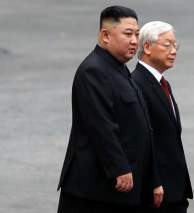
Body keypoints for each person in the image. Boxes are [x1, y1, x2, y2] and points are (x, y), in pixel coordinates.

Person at [57, 6, 163, 213]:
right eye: (128, 34)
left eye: (137, 35)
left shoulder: (119, 68)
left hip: (122, 188)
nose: (135, 41)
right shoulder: (93, 71)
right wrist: (119, 168)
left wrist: (153, 178)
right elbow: (100, 125)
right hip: (94, 190)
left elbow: (141, 128)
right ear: (105, 35)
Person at [132, 21, 193, 213]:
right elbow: (141, 141)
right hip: (157, 193)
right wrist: (153, 181)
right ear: (147, 47)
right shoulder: (137, 85)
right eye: (167, 45)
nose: (174, 51)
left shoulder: (161, 83)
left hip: (174, 189)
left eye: (175, 46)